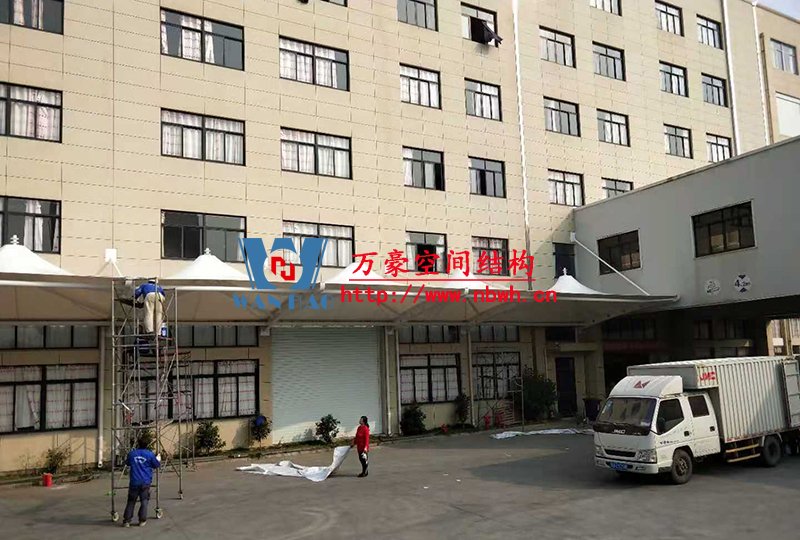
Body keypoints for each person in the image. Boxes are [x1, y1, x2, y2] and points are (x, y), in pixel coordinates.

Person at [122, 437, 161, 528]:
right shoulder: (150, 454)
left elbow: (127, 463)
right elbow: (156, 465)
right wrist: (158, 459)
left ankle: (127, 521)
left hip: (134, 481)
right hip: (145, 481)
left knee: (131, 501)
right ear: (147, 445)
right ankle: (142, 520)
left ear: (138, 444)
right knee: (144, 501)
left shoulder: (132, 454)